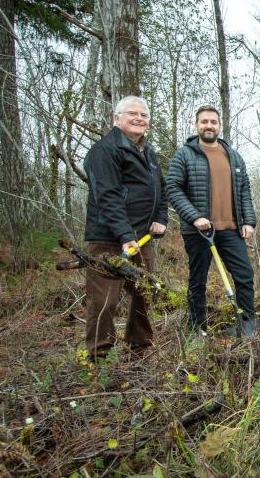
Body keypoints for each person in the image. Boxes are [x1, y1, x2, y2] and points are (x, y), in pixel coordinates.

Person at [83, 95, 167, 359]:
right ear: (116, 118)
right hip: (109, 240)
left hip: (142, 239)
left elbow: (161, 190)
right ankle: (99, 356)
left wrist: (161, 218)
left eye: (144, 115)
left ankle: (140, 347)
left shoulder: (148, 151)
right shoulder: (104, 151)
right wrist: (124, 234)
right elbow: (107, 196)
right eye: (132, 113)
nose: (139, 119)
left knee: (144, 293)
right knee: (104, 300)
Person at [166, 105, 257, 335]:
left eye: (213, 122)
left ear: (219, 125)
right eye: (204, 121)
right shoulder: (185, 154)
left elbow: (244, 190)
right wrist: (195, 217)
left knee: (245, 275)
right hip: (198, 231)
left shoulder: (233, 156)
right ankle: (198, 329)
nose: (209, 125)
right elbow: (173, 188)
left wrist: (248, 221)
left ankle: (246, 325)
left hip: (231, 229)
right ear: (196, 125)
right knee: (198, 280)